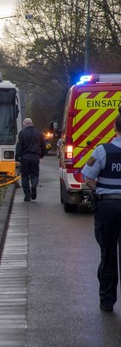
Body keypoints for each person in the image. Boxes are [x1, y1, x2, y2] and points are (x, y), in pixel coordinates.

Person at [82, 107, 121, 312]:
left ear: (115, 127)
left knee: (107, 253)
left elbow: (87, 178)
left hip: (107, 207)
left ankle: (107, 300)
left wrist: (103, 190)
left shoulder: (101, 150)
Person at [15, 118, 45, 202]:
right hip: (35, 158)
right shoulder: (39, 133)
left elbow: (19, 146)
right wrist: (41, 155)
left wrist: (17, 158)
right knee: (35, 174)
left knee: (25, 177)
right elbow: (43, 145)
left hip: (24, 158)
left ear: (24, 124)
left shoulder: (22, 133)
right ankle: (34, 186)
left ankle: (27, 196)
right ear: (32, 123)